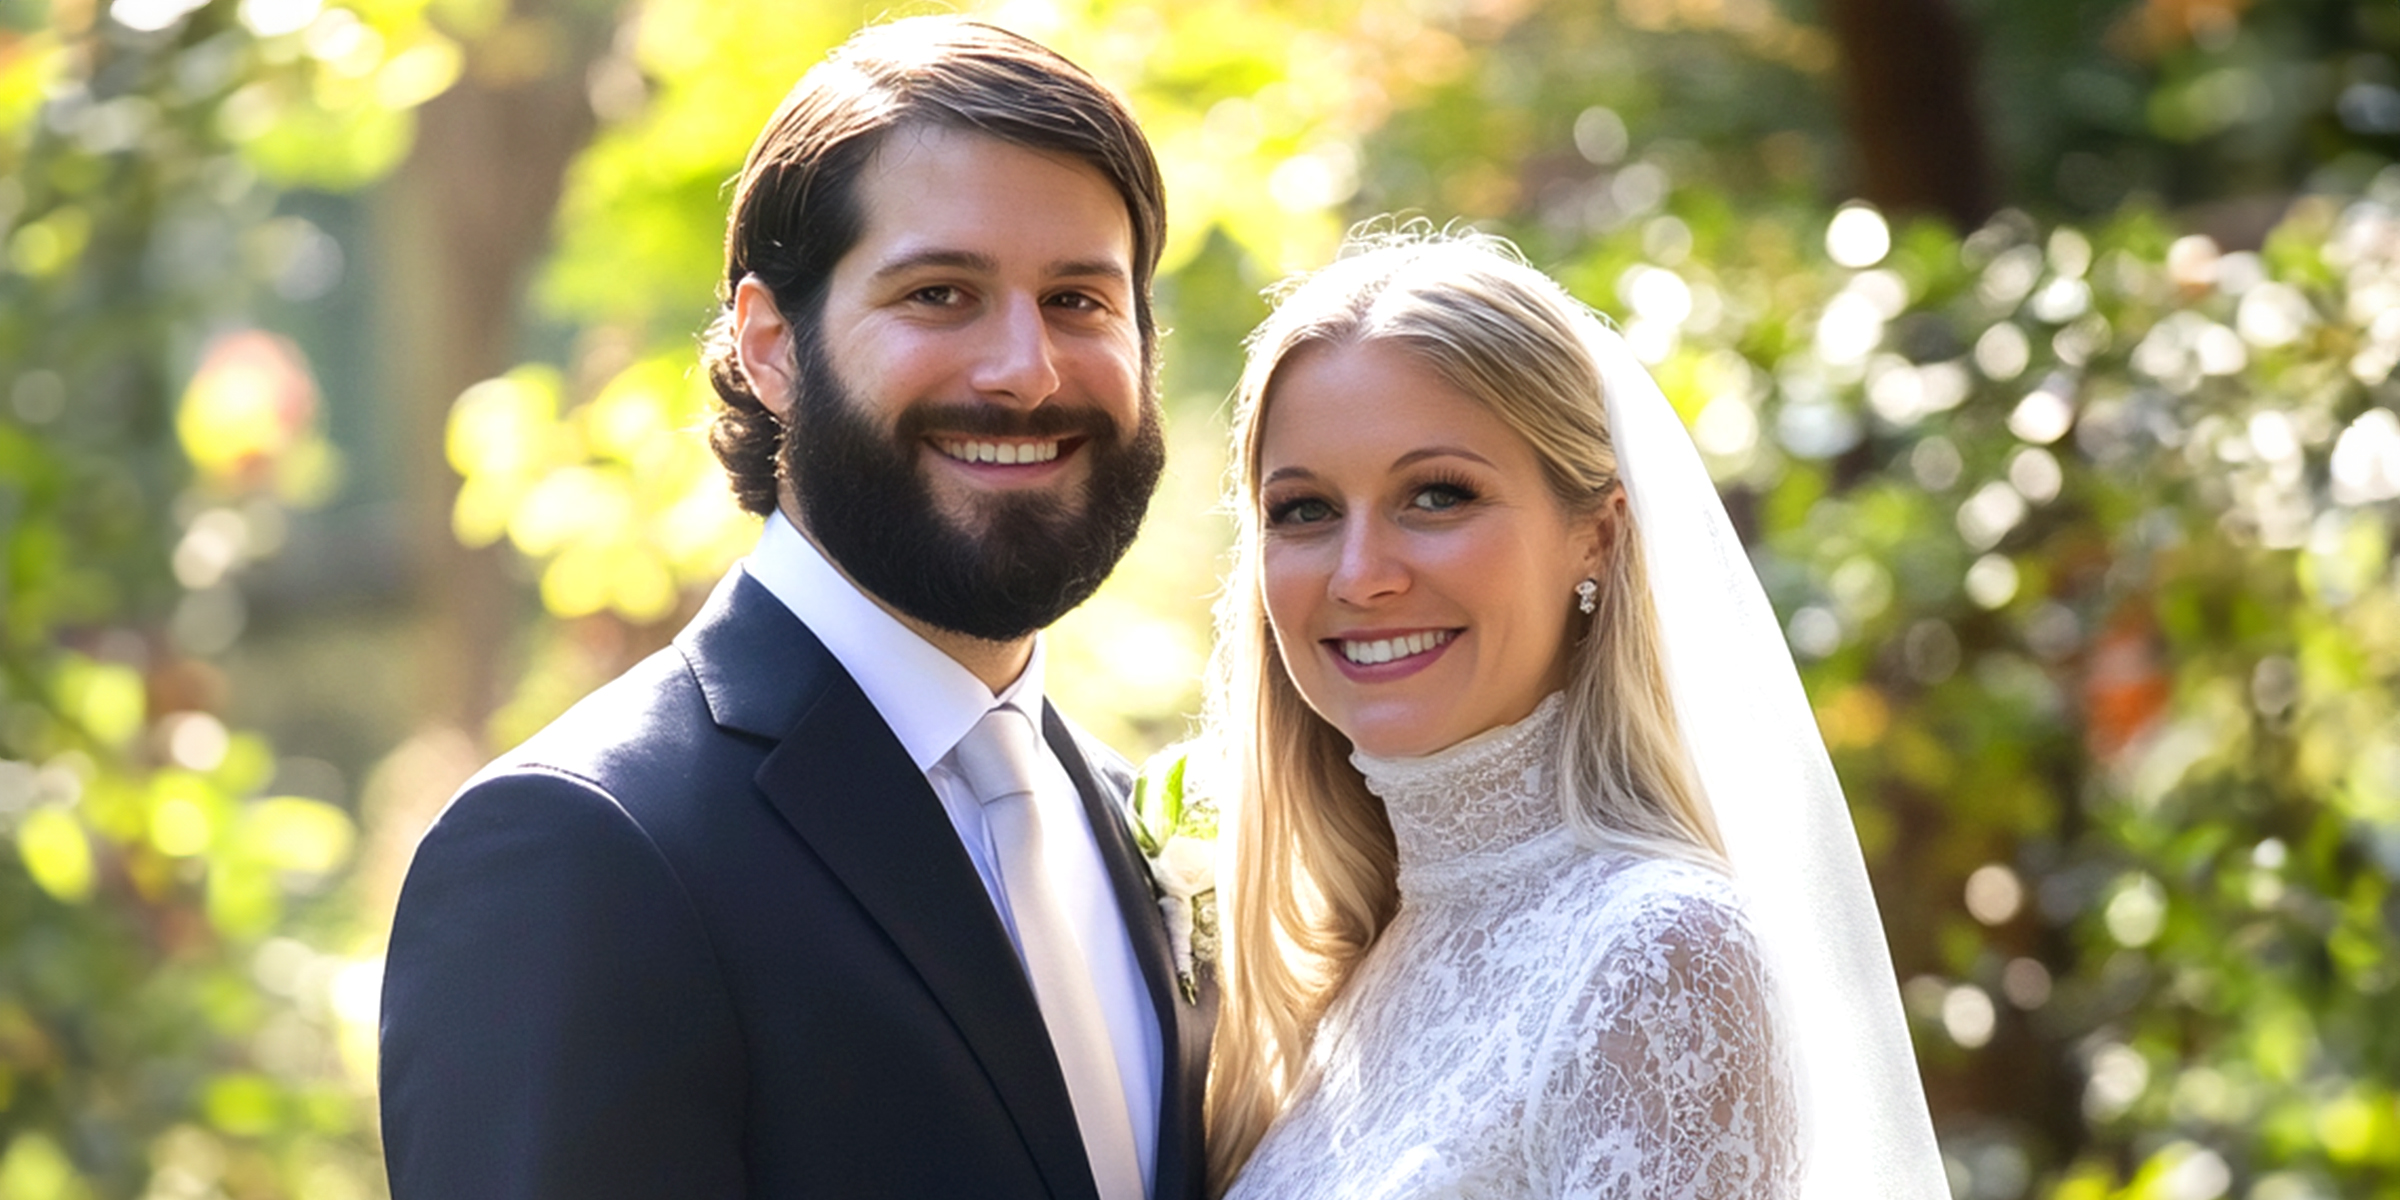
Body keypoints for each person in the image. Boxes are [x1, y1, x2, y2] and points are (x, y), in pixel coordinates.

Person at [378, 18, 1211, 1200]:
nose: (1026, 369)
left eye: (1079, 299)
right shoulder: (582, 848)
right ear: (773, 347)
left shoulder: (1136, 826)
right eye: (940, 293)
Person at [1199, 229, 1949, 1198]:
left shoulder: (1658, 955)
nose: (1360, 575)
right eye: (1303, 510)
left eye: (1436, 495)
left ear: (1594, 536)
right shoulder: (1338, 975)